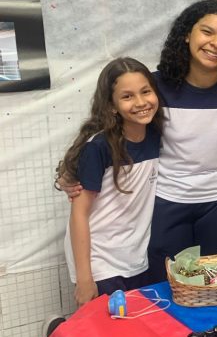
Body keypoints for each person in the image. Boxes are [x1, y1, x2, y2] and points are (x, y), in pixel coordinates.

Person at [59, 0, 217, 283]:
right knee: (170, 284)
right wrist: (70, 171)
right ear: (187, 34)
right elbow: (107, 124)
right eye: (207, 32)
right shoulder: (155, 87)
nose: (216, 43)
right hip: (168, 200)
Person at [55, 57, 162, 306]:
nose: (140, 102)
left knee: (133, 322)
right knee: (102, 326)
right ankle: (58, 325)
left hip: (134, 256)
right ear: (111, 106)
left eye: (146, 91)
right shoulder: (99, 147)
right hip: (99, 261)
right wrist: (85, 277)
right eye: (127, 96)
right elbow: (79, 214)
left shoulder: (156, 136)